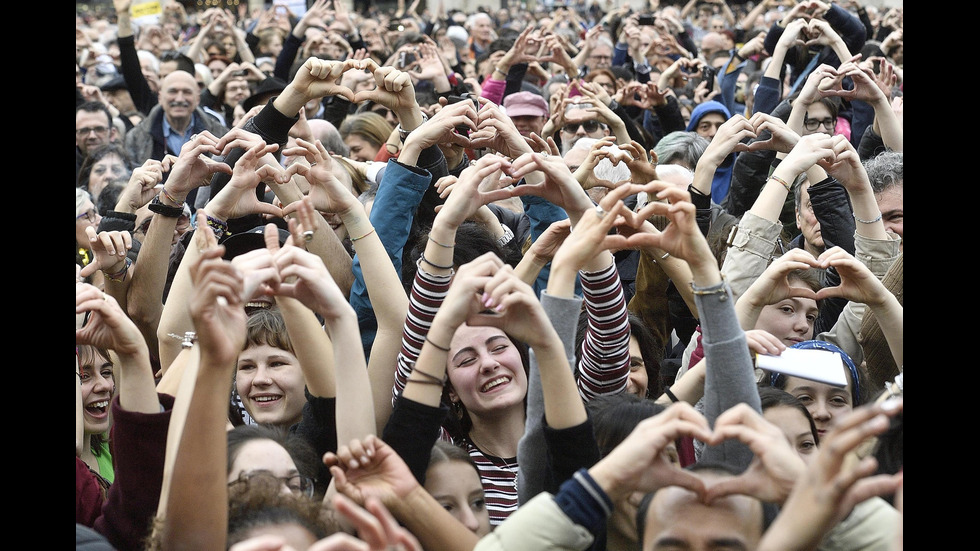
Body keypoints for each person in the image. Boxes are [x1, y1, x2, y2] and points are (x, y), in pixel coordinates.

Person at [77, 101, 120, 180]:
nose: (92, 136)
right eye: (84, 130)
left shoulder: (131, 171)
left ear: (112, 134)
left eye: (99, 129)